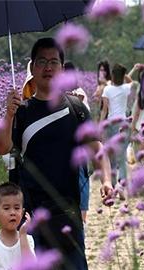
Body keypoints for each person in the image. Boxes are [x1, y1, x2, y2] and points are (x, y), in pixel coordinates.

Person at [0, 37, 113, 270]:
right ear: (32, 67)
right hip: (33, 219)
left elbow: (97, 149)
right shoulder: (22, 112)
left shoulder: (76, 109)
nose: (49, 67)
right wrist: (8, 114)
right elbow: (2, 147)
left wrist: (106, 179)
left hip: (68, 215)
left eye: (54, 62)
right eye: (42, 62)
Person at [100, 63, 135, 198]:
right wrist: (125, 74)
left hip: (111, 124)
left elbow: (104, 110)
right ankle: (122, 185)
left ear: (112, 75)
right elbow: (132, 82)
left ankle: (114, 186)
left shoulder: (107, 89)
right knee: (122, 157)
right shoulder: (127, 88)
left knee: (112, 157)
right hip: (124, 124)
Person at [64, 61, 90, 224]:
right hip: (65, 144)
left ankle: (82, 217)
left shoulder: (80, 93)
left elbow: (85, 120)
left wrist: (77, 103)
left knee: (81, 178)